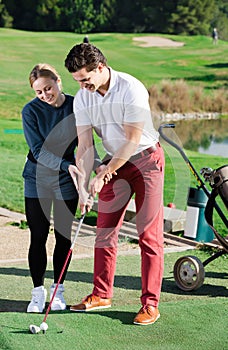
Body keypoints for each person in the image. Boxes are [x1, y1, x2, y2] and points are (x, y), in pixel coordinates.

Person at [64, 43, 165, 325]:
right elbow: (84, 146)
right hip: (113, 163)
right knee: (105, 229)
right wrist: (85, 184)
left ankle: (150, 304)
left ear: (100, 68)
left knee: (149, 234)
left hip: (146, 160)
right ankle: (101, 293)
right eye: (77, 82)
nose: (82, 86)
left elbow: (132, 139)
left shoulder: (131, 88)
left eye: (86, 79)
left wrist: (105, 170)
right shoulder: (83, 98)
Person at [22, 63, 90, 313]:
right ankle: (38, 293)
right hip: (37, 178)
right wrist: (67, 166)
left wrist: (83, 179)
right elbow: (39, 150)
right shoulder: (30, 111)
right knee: (38, 236)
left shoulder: (77, 105)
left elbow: (86, 142)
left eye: (48, 88)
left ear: (59, 82)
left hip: (66, 179)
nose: (44, 95)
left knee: (63, 236)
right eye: (39, 92)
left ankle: (58, 292)